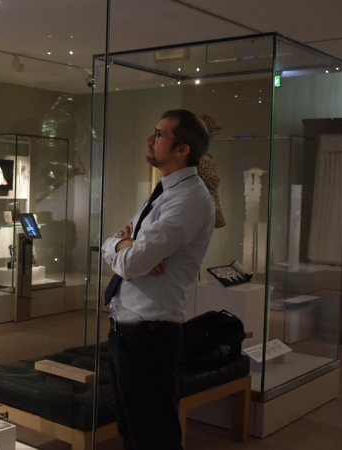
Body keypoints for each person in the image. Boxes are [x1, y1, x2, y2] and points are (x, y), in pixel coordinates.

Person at [102, 109, 214, 450]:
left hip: (151, 339)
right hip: (126, 335)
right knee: (132, 433)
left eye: (159, 134)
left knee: (154, 438)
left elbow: (133, 261)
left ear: (182, 150)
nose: (150, 139)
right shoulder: (163, 193)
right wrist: (123, 244)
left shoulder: (189, 198)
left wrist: (129, 250)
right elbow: (114, 246)